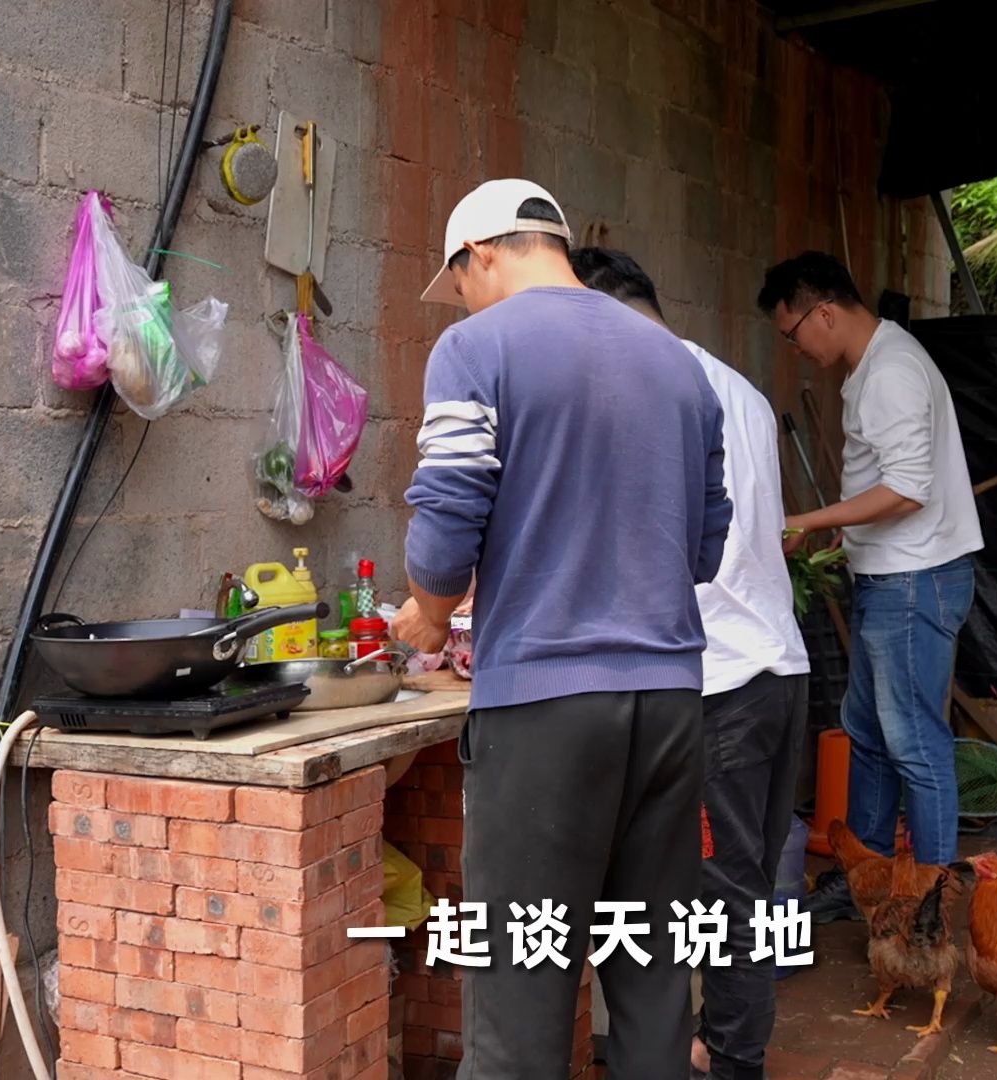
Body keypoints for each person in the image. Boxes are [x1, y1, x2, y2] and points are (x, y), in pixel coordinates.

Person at [392, 180, 733, 1080]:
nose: (459, 300)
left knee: (520, 993)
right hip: (668, 702)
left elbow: (447, 523)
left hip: (544, 709)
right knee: (655, 977)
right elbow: (706, 545)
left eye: (456, 280)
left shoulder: (474, 348)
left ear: (484, 254)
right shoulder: (678, 364)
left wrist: (427, 616)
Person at [569, 247, 809, 1080]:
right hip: (780, 670)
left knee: (727, 895)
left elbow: (648, 550)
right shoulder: (736, 386)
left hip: (723, 684)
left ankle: (733, 1063)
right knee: (749, 882)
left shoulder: (646, 391)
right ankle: (721, 1041)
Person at [756, 251, 982, 920]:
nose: (796, 350)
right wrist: (843, 535)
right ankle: (873, 880)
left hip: (913, 582)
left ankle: (930, 901)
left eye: (794, 333)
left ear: (823, 312)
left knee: (914, 741)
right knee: (871, 731)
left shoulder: (891, 373)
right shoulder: (877, 365)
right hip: (893, 575)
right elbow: (891, 482)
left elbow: (908, 490)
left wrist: (807, 516)